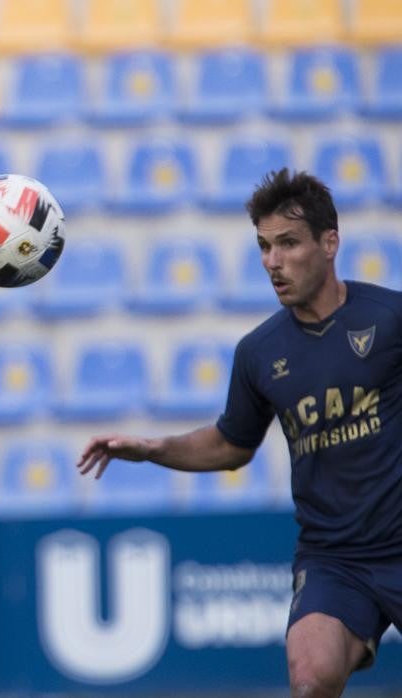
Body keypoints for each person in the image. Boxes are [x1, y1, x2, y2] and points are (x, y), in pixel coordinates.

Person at [77, 168, 402, 698]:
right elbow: (231, 445)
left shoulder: (390, 319)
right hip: (334, 557)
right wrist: (152, 448)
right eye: (264, 247)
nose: (273, 261)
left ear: (330, 243)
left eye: (288, 243)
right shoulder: (259, 352)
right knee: (310, 678)